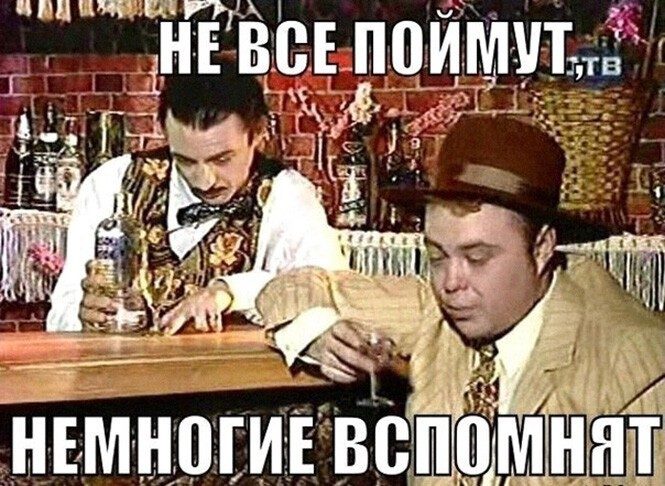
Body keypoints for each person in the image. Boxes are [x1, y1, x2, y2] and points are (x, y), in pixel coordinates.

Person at [257, 115, 665, 484]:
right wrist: (314, 332)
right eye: (437, 256)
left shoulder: (637, 365)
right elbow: (291, 286)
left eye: (478, 258)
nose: (451, 283)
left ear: (541, 248)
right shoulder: (435, 311)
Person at [46, 59, 347, 334]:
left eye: (222, 159)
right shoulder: (110, 183)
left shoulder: (287, 195)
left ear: (257, 133)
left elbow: (330, 294)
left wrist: (231, 291)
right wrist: (82, 317)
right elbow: (60, 314)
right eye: (186, 161)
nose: (205, 181)